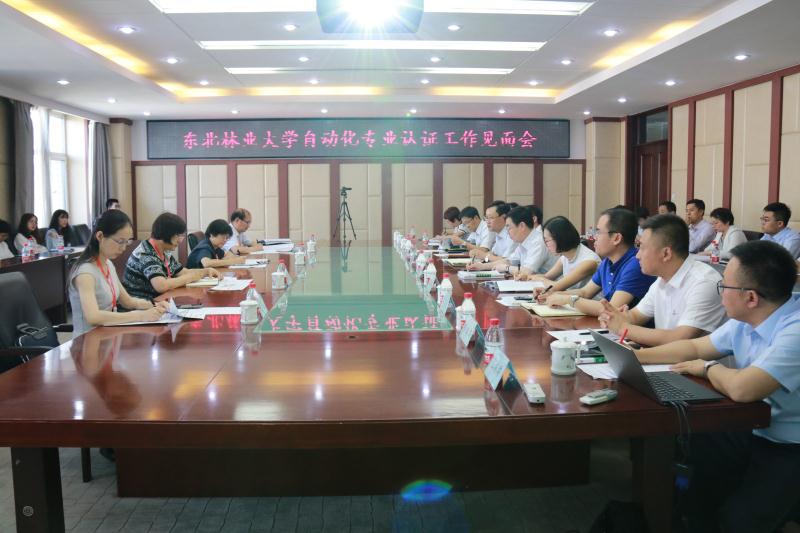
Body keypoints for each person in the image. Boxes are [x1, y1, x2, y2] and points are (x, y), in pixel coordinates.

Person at [635, 240, 800, 532]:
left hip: (788, 445)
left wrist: (709, 368)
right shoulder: (748, 317)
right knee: (692, 471)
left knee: (739, 521)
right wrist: (636, 357)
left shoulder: (795, 331)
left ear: (751, 297)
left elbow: (743, 389)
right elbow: (695, 347)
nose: (720, 292)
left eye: (724, 286)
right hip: (751, 426)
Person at [598, 214, 725, 346]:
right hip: (664, 356)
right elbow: (636, 315)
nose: (637, 255)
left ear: (666, 254)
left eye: (642, 248)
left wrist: (622, 327)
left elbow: (680, 338)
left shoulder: (703, 282)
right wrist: (614, 317)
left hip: (691, 358)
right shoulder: (662, 278)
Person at [69, 210, 169, 336]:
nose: (123, 248)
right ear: (100, 236)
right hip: (88, 340)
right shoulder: (85, 273)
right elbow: (93, 317)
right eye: (120, 241)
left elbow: (128, 301)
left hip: (109, 335)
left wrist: (154, 305)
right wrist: (140, 316)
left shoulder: (108, 264)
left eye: (127, 242)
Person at [543, 208, 656, 316]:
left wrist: (568, 299)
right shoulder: (607, 262)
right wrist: (553, 294)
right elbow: (585, 292)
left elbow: (612, 308)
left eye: (598, 232)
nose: (594, 237)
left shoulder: (635, 264)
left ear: (616, 238)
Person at [123, 212, 220, 300]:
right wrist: (189, 278)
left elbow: (181, 272)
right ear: (167, 234)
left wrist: (206, 271)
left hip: (160, 301)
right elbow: (161, 286)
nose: (180, 241)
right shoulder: (145, 253)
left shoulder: (164, 251)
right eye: (178, 236)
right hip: (141, 306)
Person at [531, 216, 599, 296]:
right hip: (571, 299)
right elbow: (547, 277)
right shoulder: (565, 256)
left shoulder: (589, 261)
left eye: (547, 241)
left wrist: (538, 279)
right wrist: (528, 277)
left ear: (560, 238)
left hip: (587, 302)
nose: (546, 245)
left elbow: (557, 287)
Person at [490, 205, 556, 278]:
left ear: (522, 226)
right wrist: (482, 266)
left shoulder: (538, 242)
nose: (507, 232)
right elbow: (509, 261)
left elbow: (527, 271)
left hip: (551, 283)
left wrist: (506, 268)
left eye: (509, 227)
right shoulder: (523, 241)